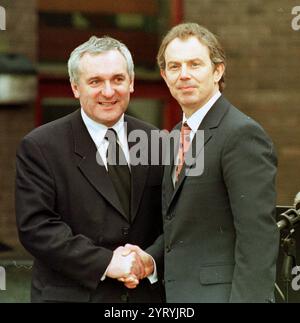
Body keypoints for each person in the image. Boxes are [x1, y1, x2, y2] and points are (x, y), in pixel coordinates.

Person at [126, 23, 279, 303]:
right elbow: (181, 227)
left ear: (217, 70)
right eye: (174, 67)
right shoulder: (174, 137)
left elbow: (258, 238)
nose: (184, 75)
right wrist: (150, 259)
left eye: (195, 64)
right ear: (164, 75)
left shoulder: (241, 134)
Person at [15, 36, 164, 303]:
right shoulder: (41, 146)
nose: (108, 92)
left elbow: (174, 219)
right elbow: (36, 227)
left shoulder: (156, 141)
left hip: (144, 298)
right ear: (75, 87)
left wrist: (150, 259)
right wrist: (106, 263)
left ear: (131, 82)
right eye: (95, 81)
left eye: (118, 79)